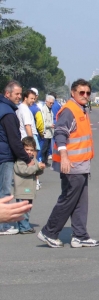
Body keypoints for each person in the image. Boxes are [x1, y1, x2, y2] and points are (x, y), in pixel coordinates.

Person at [38, 78, 99, 248]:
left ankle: (80, 235)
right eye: (81, 92)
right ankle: (49, 232)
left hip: (81, 164)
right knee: (68, 199)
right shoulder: (69, 110)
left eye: (87, 93)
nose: (85, 95)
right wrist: (64, 157)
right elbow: (60, 133)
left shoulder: (81, 109)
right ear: (73, 93)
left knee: (80, 200)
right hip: (71, 165)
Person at [0, 80, 33, 235]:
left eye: (21, 93)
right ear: (8, 94)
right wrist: (27, 158)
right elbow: (14, 139)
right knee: (4, 191)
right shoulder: (7, 113)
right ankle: (3, 226)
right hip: (4, 156)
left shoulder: (4, 108)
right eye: (17, 94)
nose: (20, 96)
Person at [14, 136, 45, 234]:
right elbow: (24, 171)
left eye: (31, 150)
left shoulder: (32, 159)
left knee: (27, 208)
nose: (29, 152)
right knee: (23, 209)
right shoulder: (20, 160)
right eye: (26, 149)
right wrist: (36, 167)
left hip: (29, 189)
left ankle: (24, 225)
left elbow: (36, 173)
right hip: (22, 189)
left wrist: (40, 168)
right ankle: (24, 227)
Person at [41, 94, 55, 167]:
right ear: (46, 101)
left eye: (53, 103)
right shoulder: (44, 109)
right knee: (44, 148)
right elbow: (43, 122)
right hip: (46, 132)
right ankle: (43, 161)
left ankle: (45, 161)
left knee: (48, 148)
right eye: (50, 103)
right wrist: (50, 125)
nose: (51, 104)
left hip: (50, 133)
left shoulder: (50, 109)